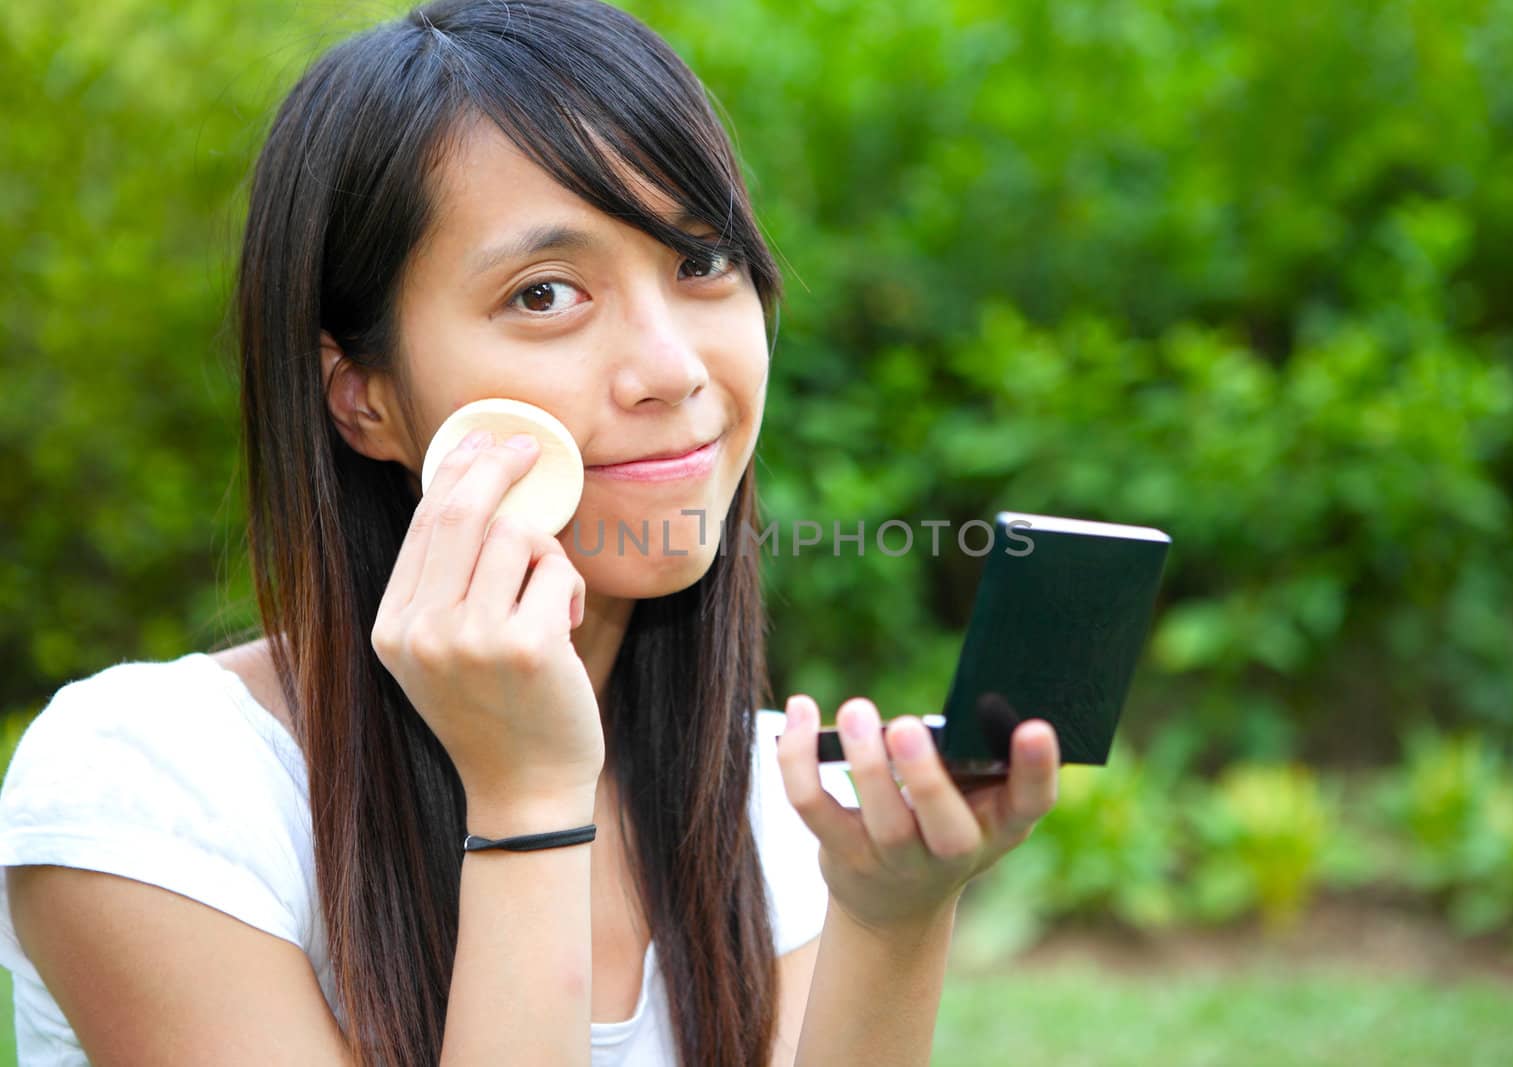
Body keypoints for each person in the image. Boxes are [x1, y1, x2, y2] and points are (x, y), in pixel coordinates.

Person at [0, 0, 1062, 1063]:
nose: (672, 368)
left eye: (701, 263)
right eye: (546, 292)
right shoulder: (154, 791)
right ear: (362, 397)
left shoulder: (766, 807)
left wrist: (891, 914)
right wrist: (525, 799)